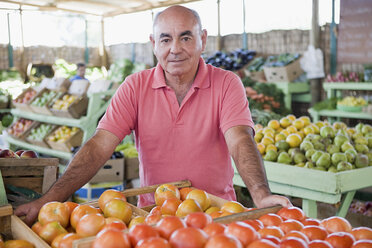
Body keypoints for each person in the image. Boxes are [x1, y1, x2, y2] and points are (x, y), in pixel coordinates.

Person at [15, 5, 291, 226]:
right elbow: (99, 146)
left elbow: (240, 139)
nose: (175, 48)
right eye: (166, 39)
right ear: (153, 43)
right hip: (154, 216)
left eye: (186, 37)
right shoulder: (135, 87)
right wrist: (49, 200)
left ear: (202, 39)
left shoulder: (226, 83)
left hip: (216, 215)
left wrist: (260, 194)